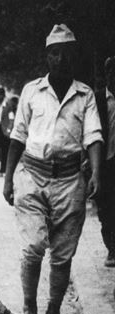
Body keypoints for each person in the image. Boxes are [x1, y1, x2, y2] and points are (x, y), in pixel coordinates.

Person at [3, 24, 103, 314]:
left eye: (67, 53)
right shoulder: (32, 91)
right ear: (47, 57)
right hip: (32, 175)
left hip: (70, 179)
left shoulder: (84, 94)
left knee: (62, 253)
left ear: (74, 57)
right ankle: (30, 308)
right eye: (55, 53)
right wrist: (8, 179)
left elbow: (94, 136)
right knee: (33, 247)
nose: (61, 59)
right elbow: (17, 136)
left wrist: (97, 172)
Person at [95, 56, 115, 267]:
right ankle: (110, 247)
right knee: (105, 209)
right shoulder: (98, 99)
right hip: (104, 163)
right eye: (111, 73)